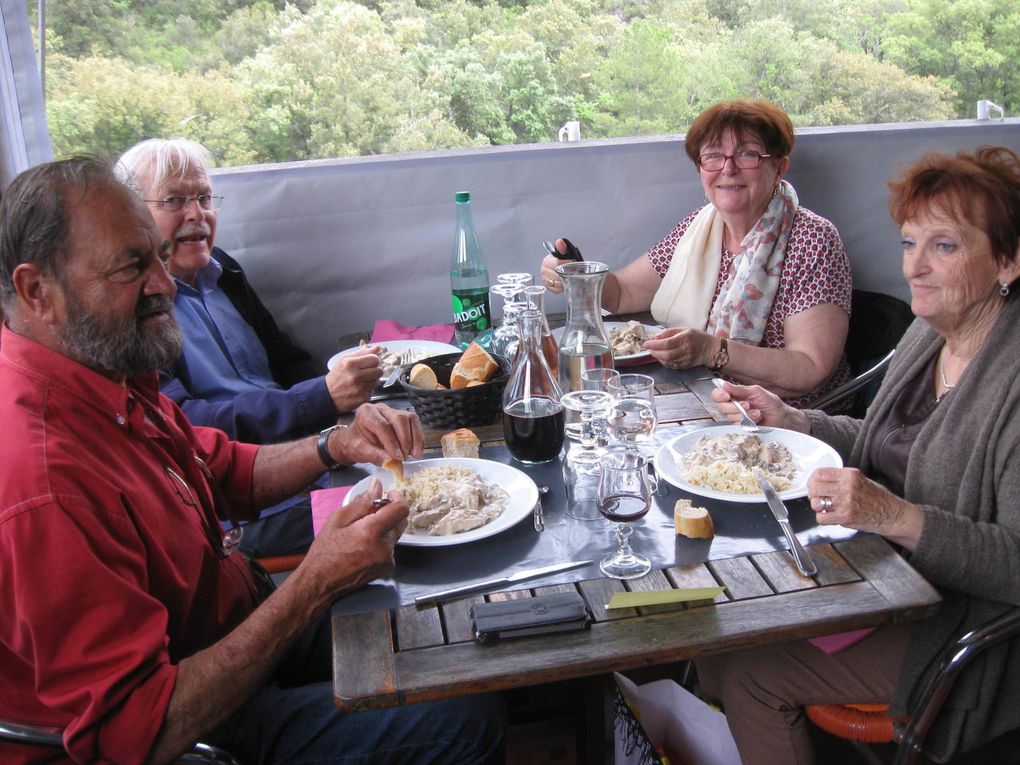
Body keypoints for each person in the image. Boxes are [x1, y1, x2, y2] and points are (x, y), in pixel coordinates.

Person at [0, 157, 505, 764]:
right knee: (463, 716)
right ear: (37, 292)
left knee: (448, 621)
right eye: (132, 265)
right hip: (201, 726)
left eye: (156, 257)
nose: (163, 284)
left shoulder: (104, 375)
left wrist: (333, 445)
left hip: (234, 622)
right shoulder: (43, 483)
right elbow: (141, 731)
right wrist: (314, 584)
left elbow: (218, 471)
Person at [698, 146, 1020, 763]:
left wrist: (895, 516)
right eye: (908, 243)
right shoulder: (932, 332)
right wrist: (793, 417)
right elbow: (879, 439)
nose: (916, 269)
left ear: (1008, 260)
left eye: (944, 246)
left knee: (748, 675)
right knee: (712, 637)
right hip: (873, 572)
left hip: (961, 621)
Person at [116, 138, 383, 556]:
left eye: (204, 197)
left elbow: (286, 358)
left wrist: (348, 402)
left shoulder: (224, 271)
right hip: (241, 508)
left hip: (309, 454)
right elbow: (189, 425)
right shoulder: (136, 313)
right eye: (174, 200)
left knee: (417, 459)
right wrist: (319, 398)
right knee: (398, 511)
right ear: (132, 217)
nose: (196, 214)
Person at [541, 100, 852, 408]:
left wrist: (711, 351)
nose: (728, 169)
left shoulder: (813, 239)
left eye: (747, 154)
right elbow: (621, 293)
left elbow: (810, 368)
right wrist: (577, 275)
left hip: (788, 418)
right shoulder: (699, 229)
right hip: (706, 397)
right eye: (714, 156)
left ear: (779, 166)